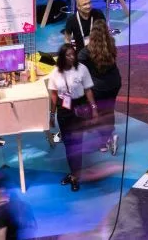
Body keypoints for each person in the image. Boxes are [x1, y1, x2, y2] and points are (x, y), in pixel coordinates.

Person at [48, 43, 98, 192]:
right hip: (63, 109)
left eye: (73, 54)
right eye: (68, 55)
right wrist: (52, 114)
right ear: (62, 57)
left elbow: (88, 90)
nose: (72, 57)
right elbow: (54, 95)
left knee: (77, 143)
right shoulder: (55, 73)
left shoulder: (82, 69)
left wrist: (94, 109)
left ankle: (75, 176)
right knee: (68, 144)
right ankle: (74, 172)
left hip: (79, 107)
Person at [78, 21, 122, 155]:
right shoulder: (112, 44)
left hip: (98, 88)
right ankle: (108, 135)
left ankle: (104, 141)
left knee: (98, 112)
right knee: (109, 110)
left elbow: (77, 66)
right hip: (114, 83)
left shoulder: (86, 51)